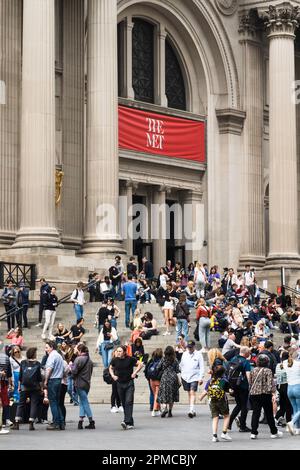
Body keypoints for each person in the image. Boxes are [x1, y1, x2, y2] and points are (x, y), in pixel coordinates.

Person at [109, 345, 144, 430]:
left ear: (124, 352)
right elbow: (110, 368)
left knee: (129, 401)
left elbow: (140, 364)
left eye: (120, 351)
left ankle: (126, 421)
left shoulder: (130, 359)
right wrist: (113, 375)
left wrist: (135, 372)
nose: (118, 353)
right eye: (117, 351)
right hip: (119, 384)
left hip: (129, 383)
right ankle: (130, 422)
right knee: (124, 403)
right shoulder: (115, 359)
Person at [249, 354, 282, 440]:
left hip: (254, 394)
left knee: (256, 413)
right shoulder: (268, 371)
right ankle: (274, 432)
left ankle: (253, 432)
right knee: (269, 414)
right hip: (265, 394)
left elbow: (251, 382)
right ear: (267, 362)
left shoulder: (253, 370)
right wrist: (273, 393)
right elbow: (270, 384)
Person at [11, 347, 43, 431]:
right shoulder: (37, 364)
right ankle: (31, 423)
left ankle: (17, 422)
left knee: (21, 404)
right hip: (35, 387)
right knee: (33, 404)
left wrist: (19, 386)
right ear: (34, 354)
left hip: (24, 386)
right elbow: (39, 377)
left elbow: (21, 376)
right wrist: (41, 387)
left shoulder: (23, 362)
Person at [199, 366, 231, 442]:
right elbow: (228, 390)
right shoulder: (223, 381)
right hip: (222, 400)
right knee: (226, 416)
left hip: (212, 401)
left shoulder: (210, 381)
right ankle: (224, 433)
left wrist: (201, 397)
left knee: (215, 417)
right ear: (223, 373)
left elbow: (206, 391)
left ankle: (214, 436)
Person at [228, 346, 252, 433]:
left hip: (234, 386)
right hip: (243, 386)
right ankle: (242, 426)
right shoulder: (245, 362)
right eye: (249, 353)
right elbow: (248, 376)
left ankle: (229, 423)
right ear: (246, 353)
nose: (249, 354)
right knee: (244, 406)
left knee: (238, 405)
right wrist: (251, 385)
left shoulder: (233, 359)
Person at [71, 343, 95, 430]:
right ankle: (80, 421)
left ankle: (91, 420)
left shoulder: (78, 359)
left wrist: (71, 366)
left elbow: (73, 371)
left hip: (79, 383)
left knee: (84, 401)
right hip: (87, 383)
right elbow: (91, 373)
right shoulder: (90, 360)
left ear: (80, 350)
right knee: (82, 401)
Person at [180, 341, 205, 418]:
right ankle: (192, 409)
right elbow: (181, 364)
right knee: (189, 393)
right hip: (185, 376)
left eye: (191, 347)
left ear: (194, 347)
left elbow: (202, 367)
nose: (189, 349)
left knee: (192, 392)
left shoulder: (198, 354)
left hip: (194, 377)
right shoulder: (184, 354)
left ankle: (191, 410)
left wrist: (200, 378)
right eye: (188, 347)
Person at [44, 340, 65, 430]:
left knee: (53, 402)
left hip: (53, 380)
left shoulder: (52, 356)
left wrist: (45, 380)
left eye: (47, 347)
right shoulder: (59, 356)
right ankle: (61, 422)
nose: (46, 349)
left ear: (51, 347)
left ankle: (56, 422)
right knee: (57, 402)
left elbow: (49, 369)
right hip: (59, 380)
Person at [157, 346, 181, 418]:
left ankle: (165, 408)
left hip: (165, 377)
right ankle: (170, 411)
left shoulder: (163, 359)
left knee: (164, 394)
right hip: (173, 378)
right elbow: (177, 370)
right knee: (172, 395)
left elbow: (158, 367)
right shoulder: (175, 360)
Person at [275, 351, 293, 428]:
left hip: (279, 386)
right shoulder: (288, 365)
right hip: (286, 385)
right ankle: (289, 421)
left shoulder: (278, 365)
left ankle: (277, 418)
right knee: (288, 405)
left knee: (282, 405)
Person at [145, 349, 163, 417]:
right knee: (156, 395)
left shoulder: (151, 361)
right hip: (158, 380)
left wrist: (148, 378)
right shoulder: (162, 361)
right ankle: (154, 409)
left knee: (154, 394)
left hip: (151, 379)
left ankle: (156, 408)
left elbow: (146, 370)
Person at [0, 340, 13, 428]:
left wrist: (10, 384)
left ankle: (5, 420)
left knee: (5, 401)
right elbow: (9, 374)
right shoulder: (6, 357)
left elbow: (9, 373)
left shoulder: (6, 357)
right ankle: (5, 420)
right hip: (4, 382)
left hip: (3, 382)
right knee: (5, 401)